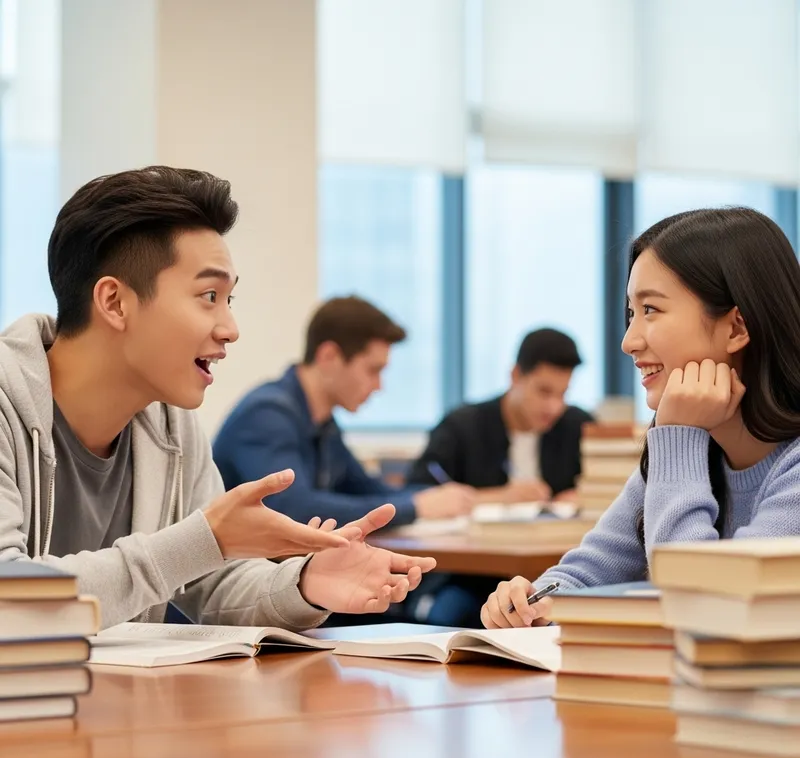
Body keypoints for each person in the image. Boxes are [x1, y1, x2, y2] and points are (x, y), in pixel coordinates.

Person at [0, 166, 436, 631]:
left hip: (120, 700)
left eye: (230, 300)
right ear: (114, 302)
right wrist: (200, 540)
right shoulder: (9, 404)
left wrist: (305, 583)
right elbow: (10, 599)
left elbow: (212, 583)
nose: (230, 329)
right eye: (209, 295)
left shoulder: (171, 427)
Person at [482, 207, 800, 629]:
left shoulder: (703, 449)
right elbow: (586, 574)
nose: (629, 341)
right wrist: (531, 604)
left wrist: (676, 435)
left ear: (736, 328)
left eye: (651, 309)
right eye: (632, 314)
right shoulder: (689, 450)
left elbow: (703, 611)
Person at [213, 296, 476, 526]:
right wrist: (416, 507)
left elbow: (365, 490)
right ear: (329, 357)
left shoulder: (323, 422)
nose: (379, 386)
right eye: (373, 370)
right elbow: (293, 510)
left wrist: (433, 499)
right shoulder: (266, 416)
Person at [408, 328, 593, 505]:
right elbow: (417, 494)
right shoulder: (461, 427)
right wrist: (500, 497)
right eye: (544, 392)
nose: (554, 407)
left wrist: (585, 497)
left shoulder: (579, 426)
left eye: (563, 394)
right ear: (515, 376)